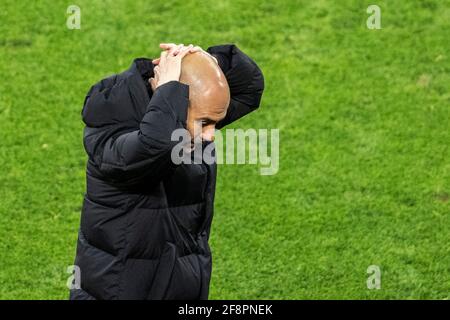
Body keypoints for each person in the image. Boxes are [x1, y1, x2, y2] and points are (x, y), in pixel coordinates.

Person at [69, 43, 264, 300]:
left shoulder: (186, 119)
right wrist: (171, 89)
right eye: (205, 123)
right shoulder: (113, 131)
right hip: (122, 289)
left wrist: (204, 60)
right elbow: (154, 147)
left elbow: (249, 88)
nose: (210, 136)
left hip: (177, 279)